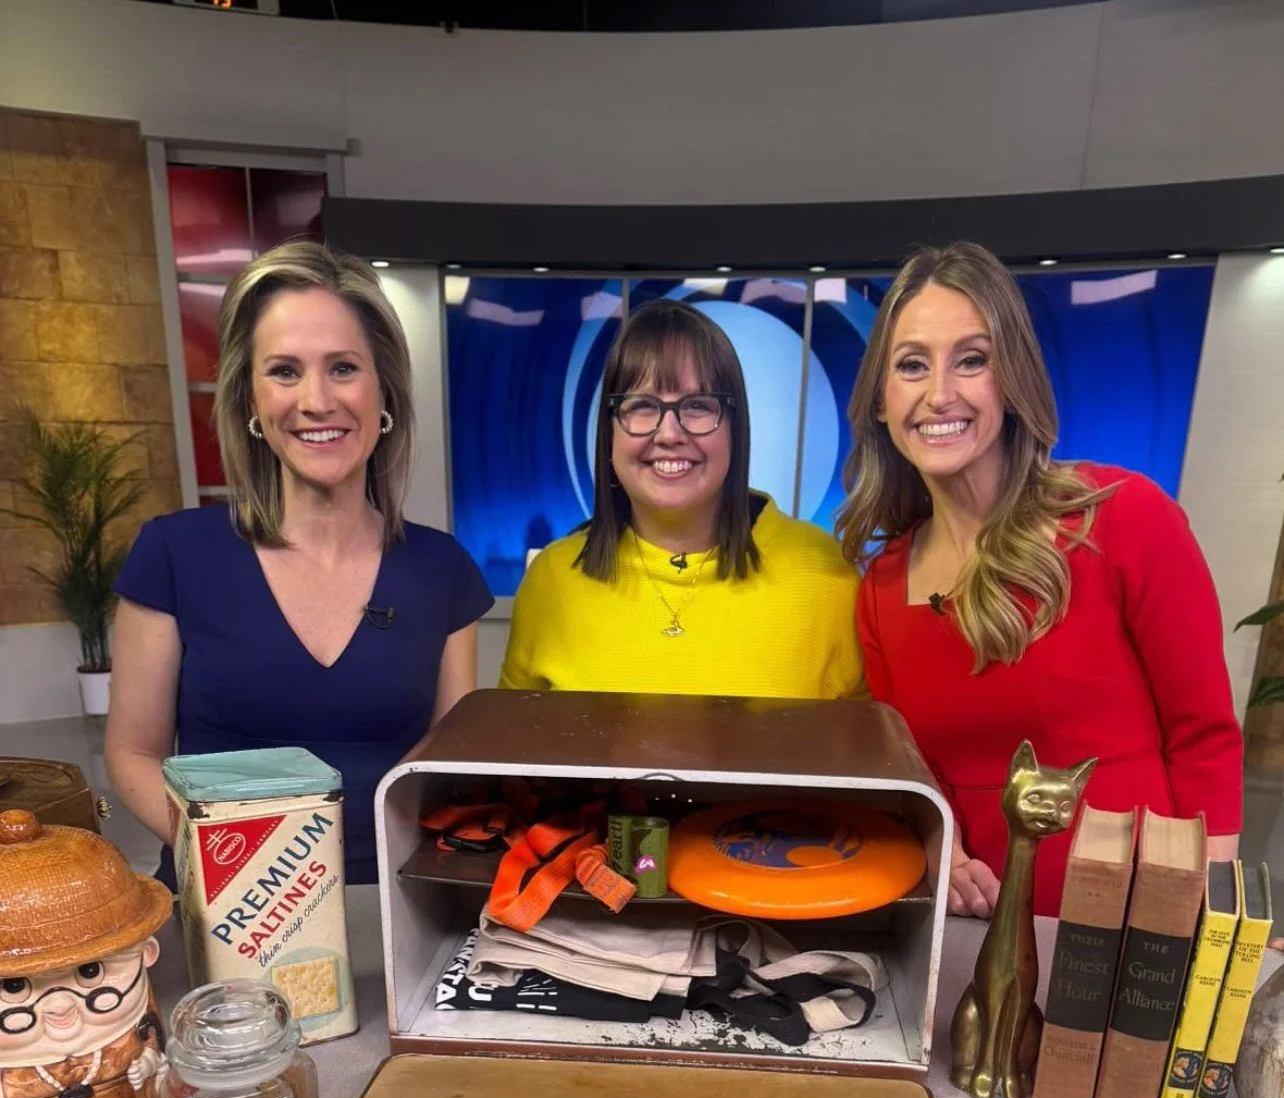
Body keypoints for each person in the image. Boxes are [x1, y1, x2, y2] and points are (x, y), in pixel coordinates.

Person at [839, 241, 1242, 919]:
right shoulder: (881, 588)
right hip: (971, 928)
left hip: (1134, 925)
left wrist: (1207, 920)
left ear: (1013, 379)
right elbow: (916, 776)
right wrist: (944, 854)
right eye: (911, 365)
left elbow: (1204, 738)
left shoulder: (1124, 516)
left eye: (972, 360)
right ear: (881, 400)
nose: (940, 393)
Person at [107, 242, 492, 886]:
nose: (316, 400)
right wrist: (247, 874)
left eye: (343, 367)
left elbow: (443, 773)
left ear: (384, 390)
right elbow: (132, 753)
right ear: (250, 400)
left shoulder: (444, 571)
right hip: (224, 898)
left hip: (391, 900)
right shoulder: (172, 555)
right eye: (284, 371)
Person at [499, 299, 865, 700]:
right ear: (609, 432)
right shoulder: (552, 582)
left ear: (735, 427)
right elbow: (516, 734)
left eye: (697, 406)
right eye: (642, 406)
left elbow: (863, 737)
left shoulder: (826, 576)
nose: (670, 434)